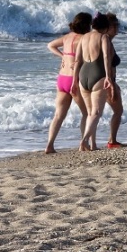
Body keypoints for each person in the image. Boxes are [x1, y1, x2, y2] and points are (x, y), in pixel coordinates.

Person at [43, 12, 92, 153]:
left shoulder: (66, 37)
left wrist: (63, 56)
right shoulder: (84, 39)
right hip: (74, 80)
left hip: (62, 79)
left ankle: (49, 145)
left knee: (58, 115)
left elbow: (50, 45)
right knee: (87, 113)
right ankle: (84, 144)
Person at [76, 12, 118, 151]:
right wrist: (108, 77)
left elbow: (78, 60)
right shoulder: (103, 37)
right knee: (96, 113)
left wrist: (74, 81)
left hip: (83, 75)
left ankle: (92, 145)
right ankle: (84, 140)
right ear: (105, 26)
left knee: (89, 113)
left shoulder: (83, 37)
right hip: (98, 74)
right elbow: (106, 56)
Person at [103, 13, 126, 149]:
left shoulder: (106, 41)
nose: (117, 28)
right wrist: (111, 82)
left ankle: (110, 140)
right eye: (115, 25)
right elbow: (107, 63)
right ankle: (112, 140)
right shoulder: (106, 41)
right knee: (118, 111)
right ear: (108, 27)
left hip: (105, 80)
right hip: (107, 81)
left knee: (94, 112)